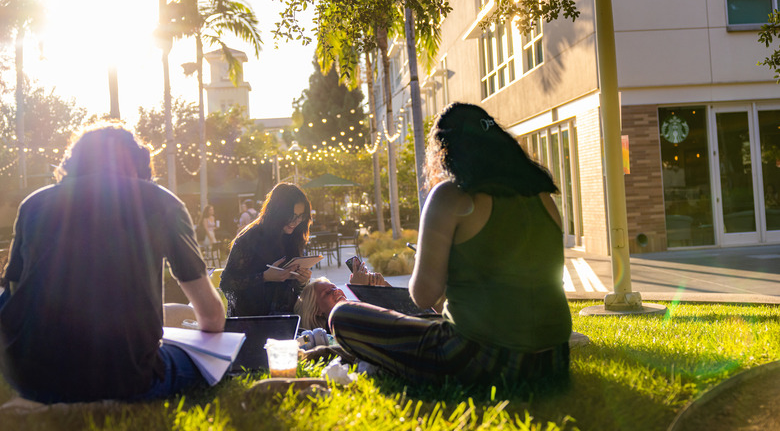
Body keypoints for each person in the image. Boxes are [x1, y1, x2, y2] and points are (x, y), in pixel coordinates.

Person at [329, 102, 572, 387]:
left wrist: (429, 260)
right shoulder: (543, 198)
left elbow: (422, 295)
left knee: (343, 315)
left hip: (481, 359)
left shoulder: (450, 195)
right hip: (553, 361)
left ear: (445, 151)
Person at [0, 123, 225, 404]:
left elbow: (12, 292)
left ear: (74, 161)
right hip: (126, 378)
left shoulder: (34, 204)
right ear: (140, 166)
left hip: (31, 379)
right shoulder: (161, 202)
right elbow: (212, 317)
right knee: (209, 363)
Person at [220, 183, 313, 316]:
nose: (296, 221)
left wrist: (302, 281)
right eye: (291, 215)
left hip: (285, 319)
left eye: (301, 216)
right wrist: (264, 277)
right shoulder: (249, 238)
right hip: (251, 320)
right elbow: (227, 283)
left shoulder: (293, 237)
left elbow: (295, 290)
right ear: (277, 212)